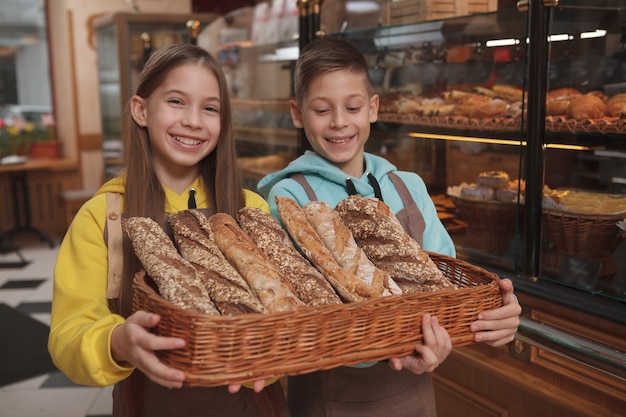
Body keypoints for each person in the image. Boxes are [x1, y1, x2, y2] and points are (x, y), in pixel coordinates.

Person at [257, 37, 522, 417]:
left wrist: (495, 310)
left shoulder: (407, 185)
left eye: (353, 107)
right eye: (321, 110)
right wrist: (396, 346)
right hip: (330, 396)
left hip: (414, 394)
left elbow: (443, 285)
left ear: (373, 108)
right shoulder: (290, 195)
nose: (339, 121)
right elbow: (307, 318)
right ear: (297, 113)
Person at [49, 43, 289, 417]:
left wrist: (274, 357)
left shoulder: (249, 211)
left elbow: (284, 317)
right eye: (176, 101)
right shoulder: (103, 217)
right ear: (141, 110)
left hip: (252, 403)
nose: (194, 120)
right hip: (149, 403)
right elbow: (68, 333)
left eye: (210, 108)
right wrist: (116, 341)